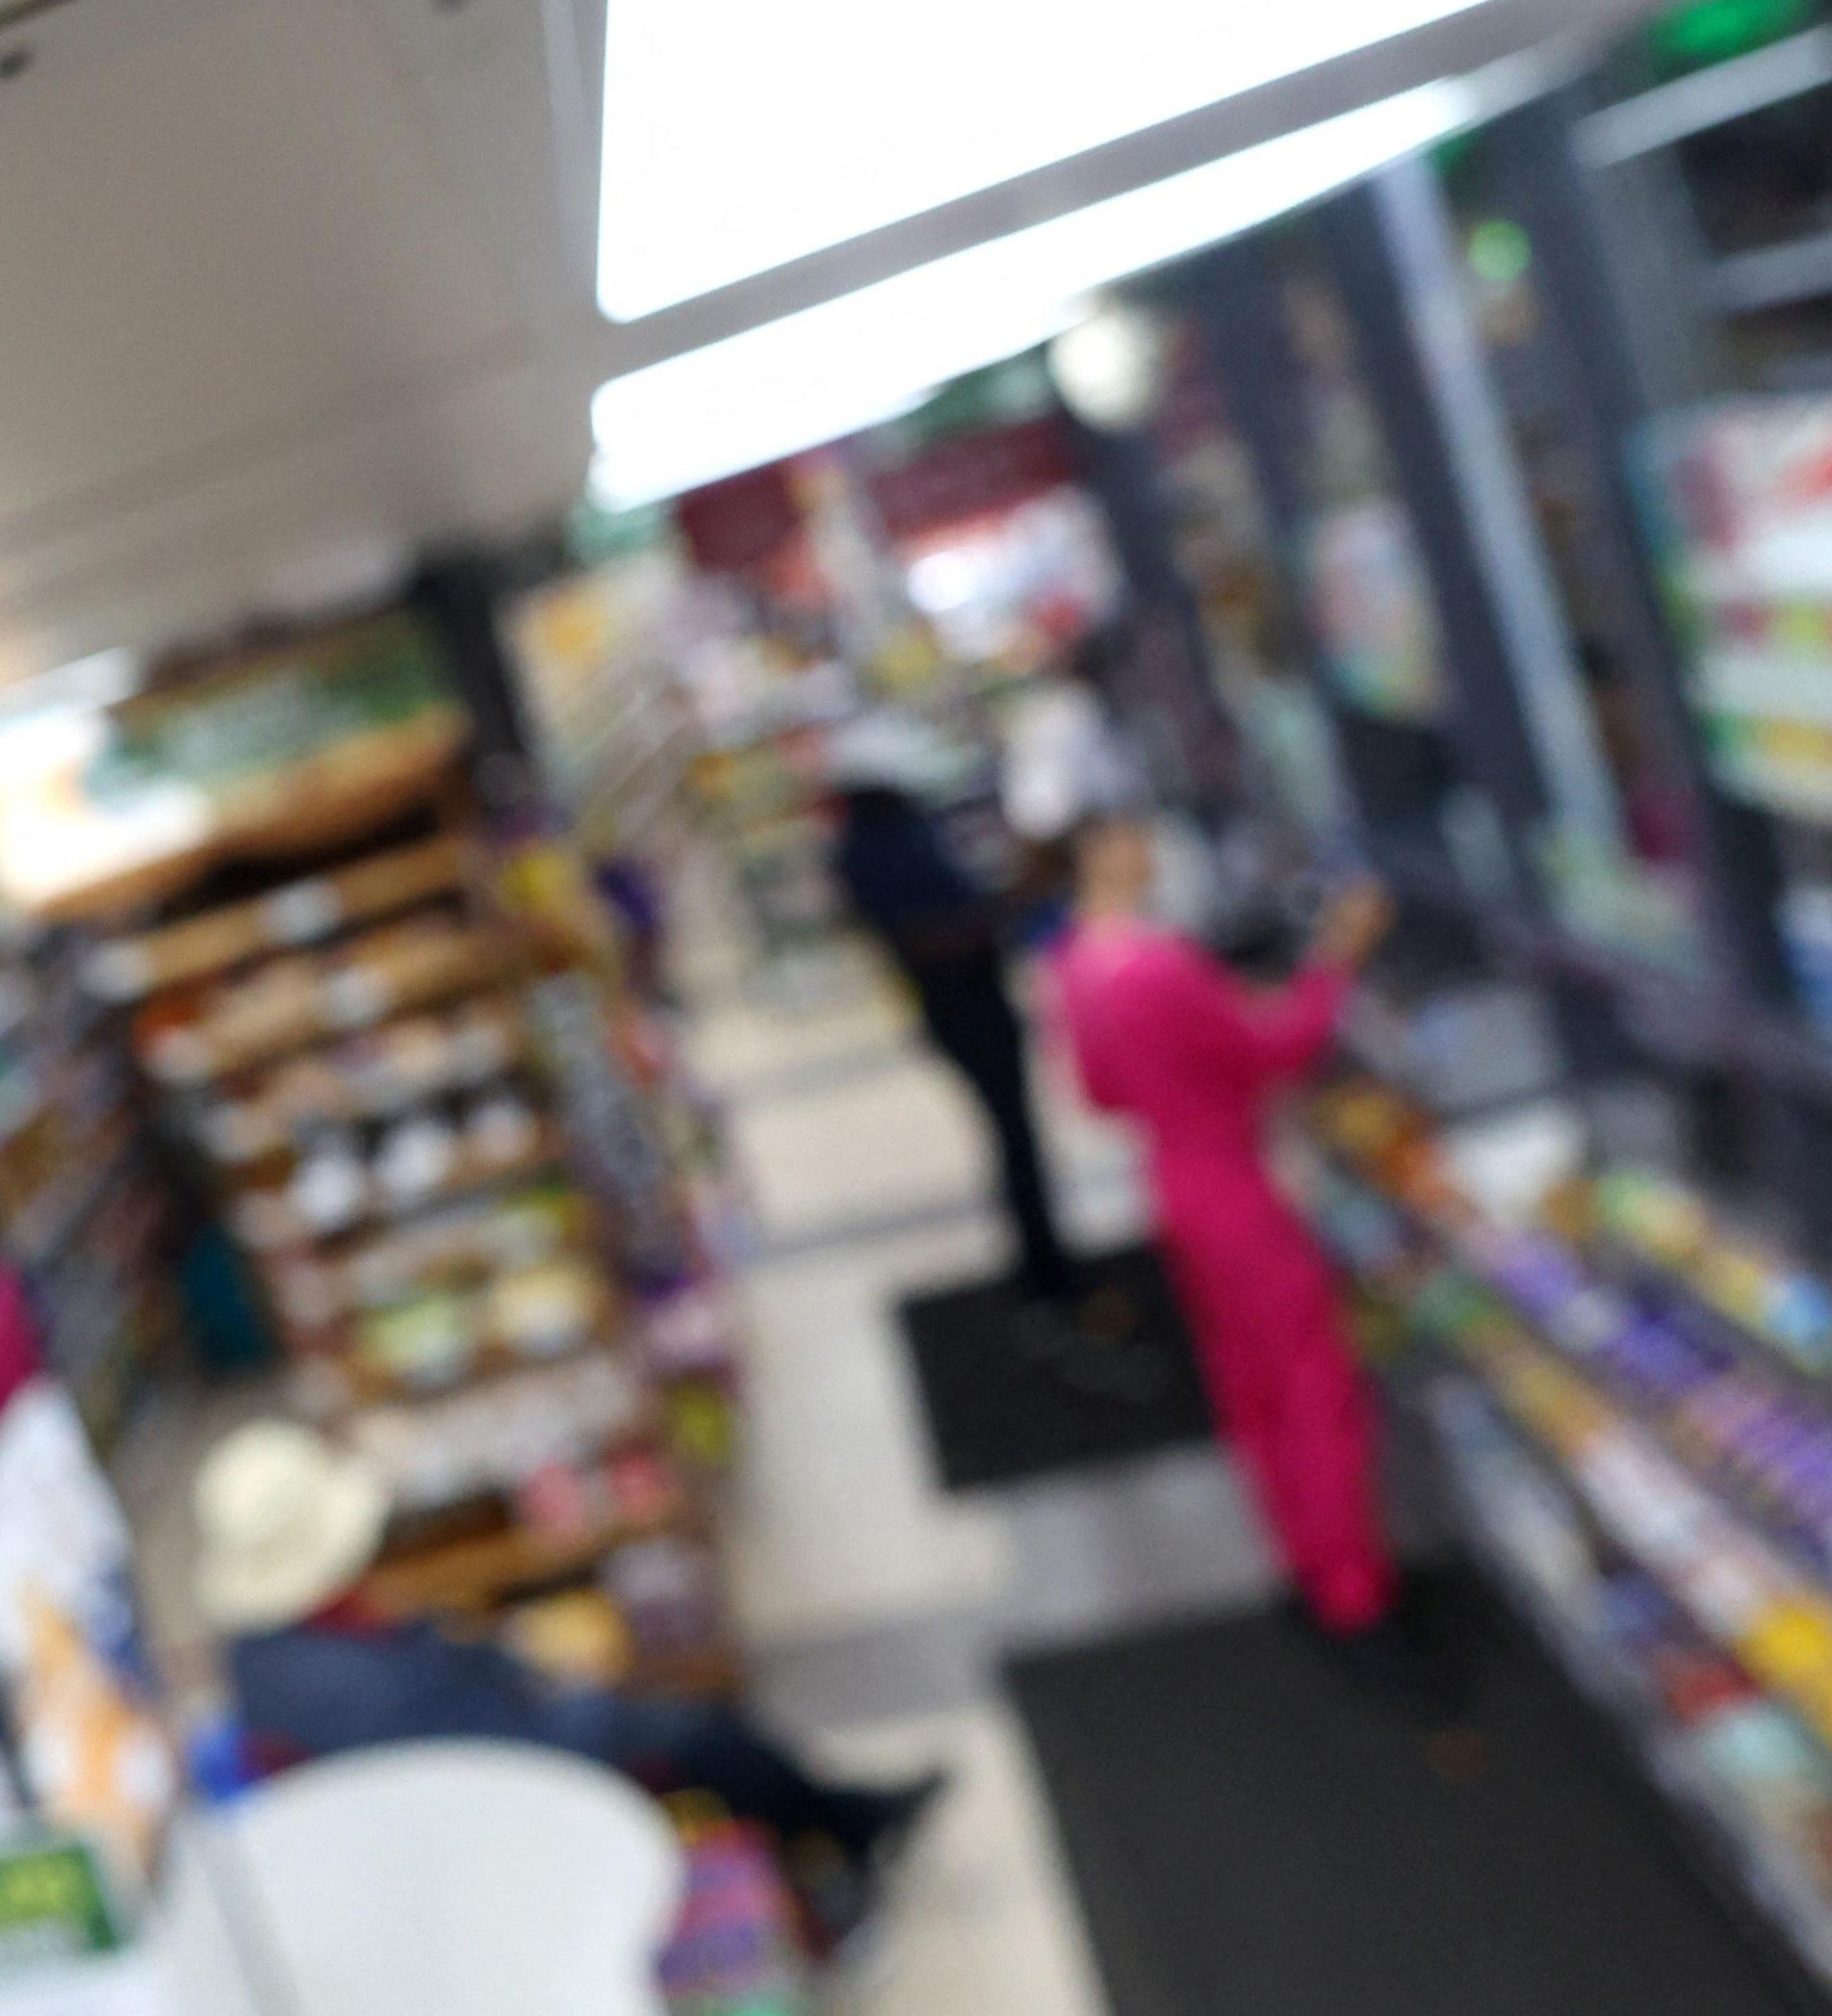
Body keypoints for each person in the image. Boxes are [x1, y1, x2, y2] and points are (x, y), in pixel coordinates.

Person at [194, 1420, 943, 1936]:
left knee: (684, 1718)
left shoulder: (267, 1651)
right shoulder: (356, 1686)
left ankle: (839, 1821)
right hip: (509, 1799)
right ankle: (842, 1840)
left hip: (478, 1763)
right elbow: (502, 1753)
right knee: (703, 1730)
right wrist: (586, 1697)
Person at [1051, 814, 1401, 1644]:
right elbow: (1282, 1050)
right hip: (1236, 1186)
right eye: (1131, 836)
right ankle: (1353, 1587)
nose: (1150, 847)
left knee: (1250, 1387)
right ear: (1103, 853)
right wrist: (1336, 959)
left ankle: (1302, 1559)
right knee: (1314, 1383)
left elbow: (1100, 1092)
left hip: (1174, 1186)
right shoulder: (1160, 967)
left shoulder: (1074, 964)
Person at [821, 734, 1076, 1302]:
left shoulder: (877, 843)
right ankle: (1045, 1266)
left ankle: (1044, 1255)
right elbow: (931, 937)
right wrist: (1006, 909)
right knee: (1014, 1136)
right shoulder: (880, 848)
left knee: (1015, 1135)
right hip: (963, 1008)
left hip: (963, 1003)